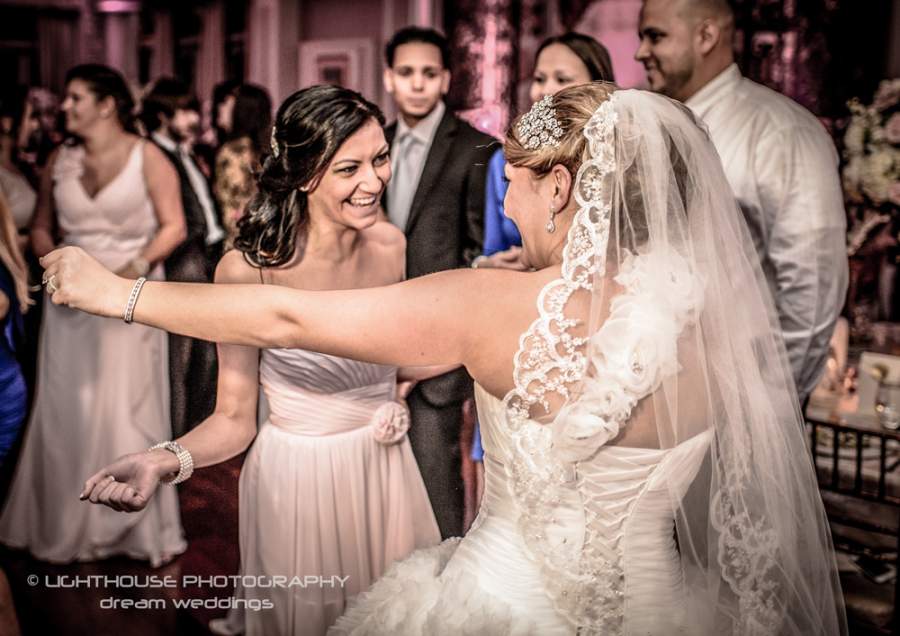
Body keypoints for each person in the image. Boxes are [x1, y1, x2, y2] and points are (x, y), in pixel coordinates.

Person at [53, 82, 845, 634]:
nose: (504, 198)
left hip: (503, 605)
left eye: (515, 179)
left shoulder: (486, 302)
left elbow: (284, 317)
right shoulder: (714, 324)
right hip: (662, 610)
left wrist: (114, 292)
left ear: (561, 188)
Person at [89, 85, 442, 635]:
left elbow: (395, 358)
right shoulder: (247, 271)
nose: (374, 181)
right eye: (349, 169)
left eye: (380, 159)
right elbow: (234, 420)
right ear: (304, 175)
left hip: (387, 471)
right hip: (298, 484)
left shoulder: (390, 245)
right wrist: (162, 460)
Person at [0, 64, 187, 566]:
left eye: (75, 97)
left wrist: (130, 273)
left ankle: (128, 525)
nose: (65, 107)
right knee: (69, 407)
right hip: (70, 301)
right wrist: (55, 263)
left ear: (107, 105)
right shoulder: (59, 159)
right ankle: (64, 520)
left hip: (133, 297)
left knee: (129, 403)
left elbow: (174, 226)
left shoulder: (148, 155)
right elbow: (42, 225)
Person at [636, 0, 849, 404]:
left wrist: (769, 402)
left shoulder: (780, 133)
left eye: (655, 36)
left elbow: (812, 286)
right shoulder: (650, 126)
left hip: (742, 398)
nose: (640, 52)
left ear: (706, 36)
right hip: (653, 397)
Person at [470, 32, 616, 498]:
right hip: (519, 322)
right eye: (539, 77)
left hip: (576, 324)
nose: (545, 89)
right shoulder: (508, 159)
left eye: (561, 78)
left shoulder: (618, 165)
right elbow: (494, 243)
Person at [382, 26, 496, 538]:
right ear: (389, 78)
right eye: (406, 72)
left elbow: (478, 252)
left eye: (428, 73)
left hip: (439, 349)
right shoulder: (374, 144)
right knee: (382, 486)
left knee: (436, 483)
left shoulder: (476, 148)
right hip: (375, 336)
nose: (417, 84)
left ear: (446, 79)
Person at [140, 77, 225, 436]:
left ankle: (196, 436)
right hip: (179, 264)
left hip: (204, 260)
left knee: (204, 360)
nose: (194, 119)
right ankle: (175, 440)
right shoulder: (152, 155)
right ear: (162, 116)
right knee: (179, 362)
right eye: (185, 111)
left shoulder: (186, 152)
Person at [214, 83, 272, 248]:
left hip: (239, 240)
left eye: (226, 103)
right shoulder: (262, 148)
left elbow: (234, 206)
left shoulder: (233, 152)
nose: (220, 108)